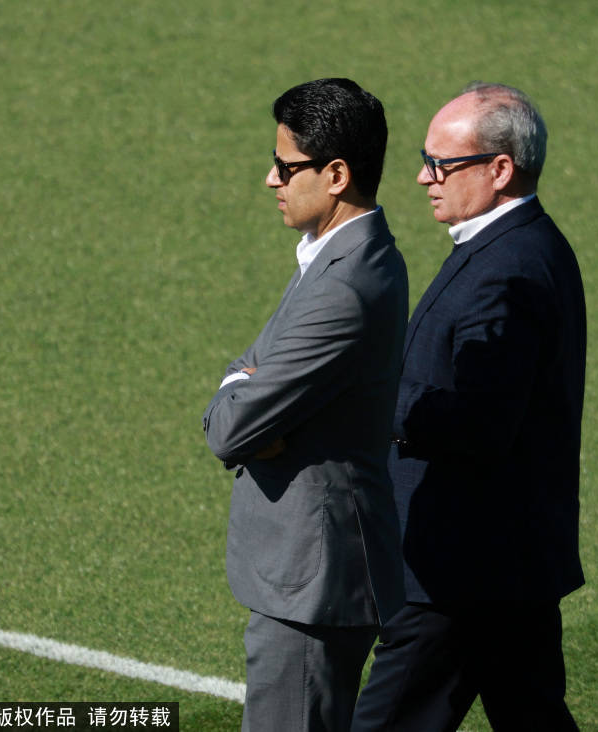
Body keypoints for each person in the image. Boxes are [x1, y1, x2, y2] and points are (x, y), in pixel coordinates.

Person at [351, 82, 587, 730]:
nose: (423, 177)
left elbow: (482, 424)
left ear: (500, 169)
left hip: (460, 577)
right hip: (507, 565)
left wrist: (376, 393)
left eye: (440, 164)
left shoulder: (505, 270)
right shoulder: (523, 246)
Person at [202, 78, 408, 732]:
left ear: (337, 174)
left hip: (313, 585)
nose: (272, 179)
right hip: (314, 574)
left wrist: (240, 394)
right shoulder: (339, 256)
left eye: (286, 166)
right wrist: (249, 388)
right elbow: (250, 373)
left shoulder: (343, 285)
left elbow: (231, 428)